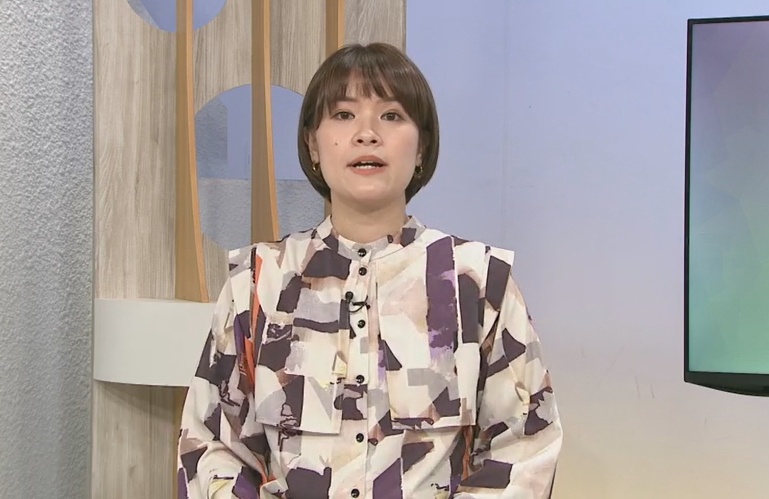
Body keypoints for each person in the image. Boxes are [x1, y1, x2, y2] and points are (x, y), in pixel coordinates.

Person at [177, 42, 562, 499]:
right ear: (312, 144)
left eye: (391, 115)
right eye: (343, 115)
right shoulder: (258, 283)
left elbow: (524, 447)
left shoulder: (478, 283)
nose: (366, 134)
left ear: (422, 147)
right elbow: (212, 447)